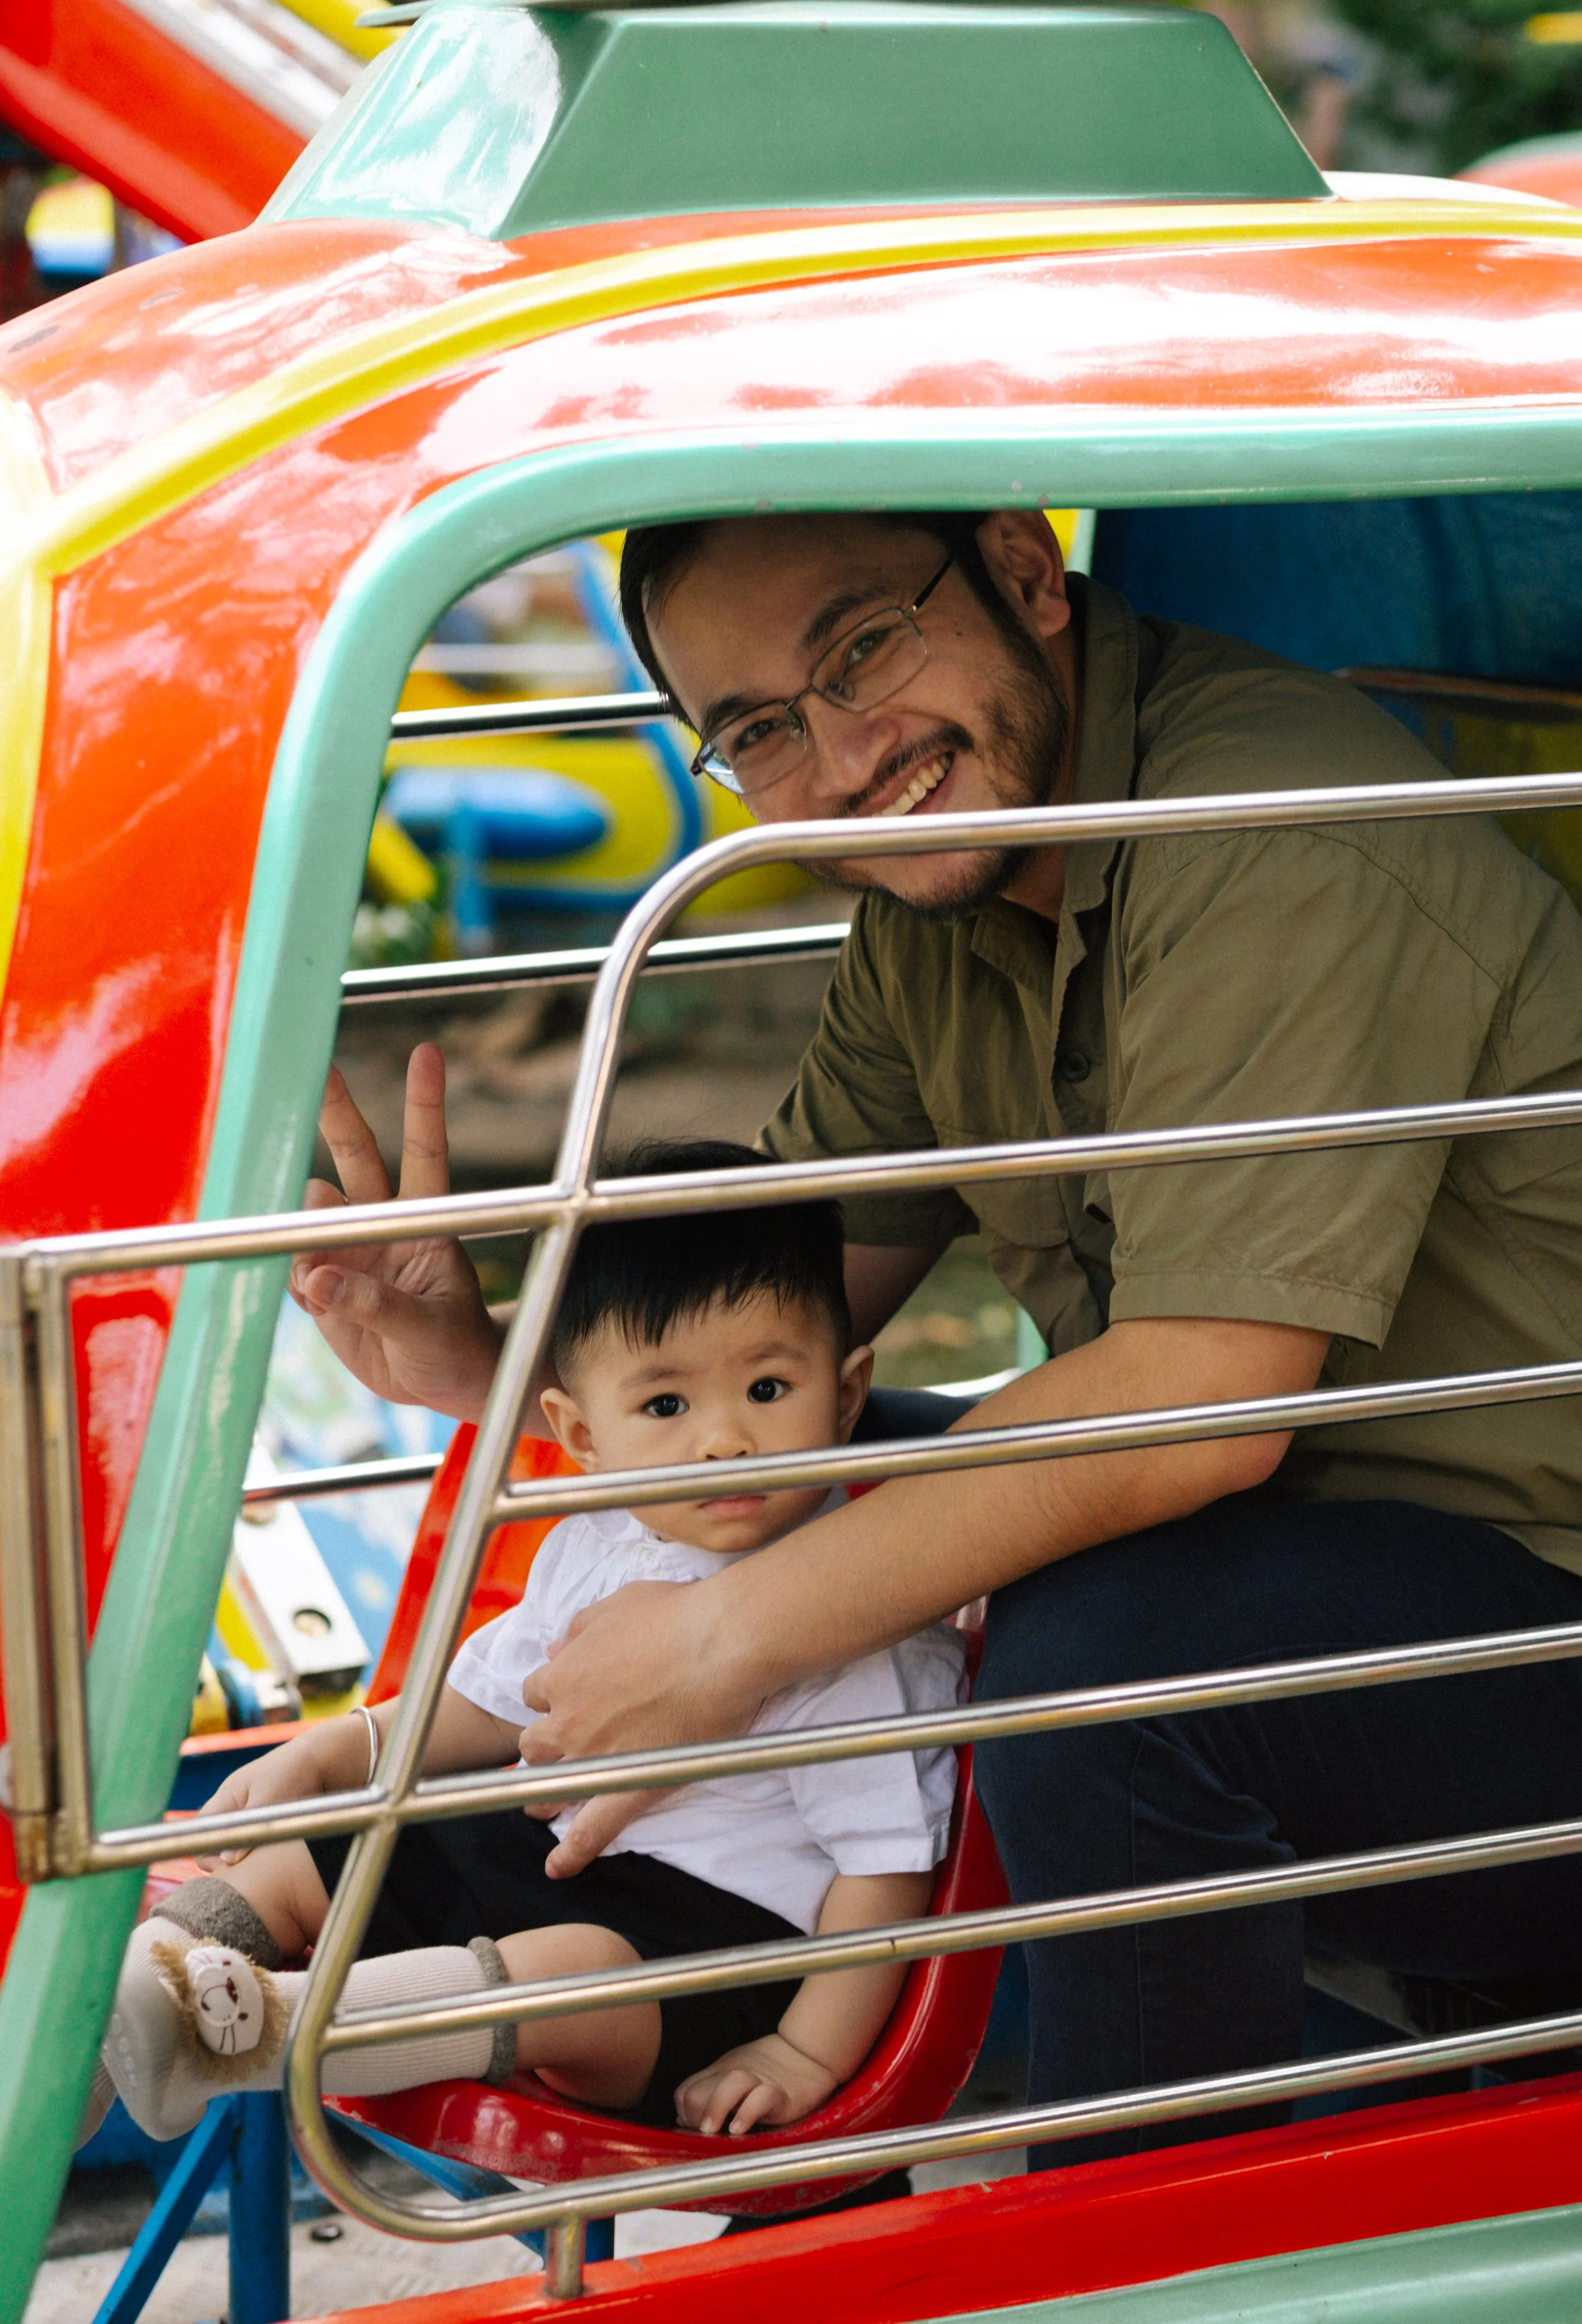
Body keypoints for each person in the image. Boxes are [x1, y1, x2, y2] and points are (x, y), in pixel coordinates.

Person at [292, 509, 1582, 2167]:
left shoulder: (1272, 829)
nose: (840, 753)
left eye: (861, 648)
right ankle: (683, 1978)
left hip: (1525, 1621)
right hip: (1332, 1574)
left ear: (1026, 579)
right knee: (770, 1474)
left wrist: (731, 1635)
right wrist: (490, 1363)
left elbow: (1202, 1401)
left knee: (1099, 1656)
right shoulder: (943, 893)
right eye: (759, 727)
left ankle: (1135, 2243)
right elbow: (774, 1318)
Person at [97, 1142, 962, 2144]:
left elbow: (885, 1871)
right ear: (581, 1434)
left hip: (717, 1960)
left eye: (769, 1389)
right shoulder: (593, 1546)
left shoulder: (855, 1616)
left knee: (571, 1971)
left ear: (848, 1393)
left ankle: (248, 2036)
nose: (724, 1438)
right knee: (313, 1850)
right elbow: (489, 1706)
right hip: (555, 1863)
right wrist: (333, 1750)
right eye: (667, 1405)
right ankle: (127, 2010)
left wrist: (802, 2051)